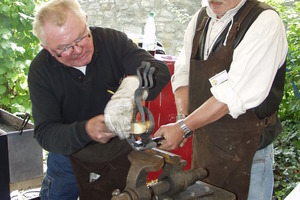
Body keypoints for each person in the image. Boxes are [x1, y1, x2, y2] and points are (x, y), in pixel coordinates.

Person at [28, 0, 170, 199]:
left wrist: (131, 89)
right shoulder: (41, 70)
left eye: (81, 38)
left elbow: (159, 70)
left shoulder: (112, 41)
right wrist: (86, 130)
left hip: (119, 155)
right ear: (48, 48)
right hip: (68, 158)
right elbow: (45, 133)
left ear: (86, 21)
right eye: (65, 48)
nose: (78, 50)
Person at [154, 0, 287, 199]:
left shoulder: (264, 22)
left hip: (247, 155)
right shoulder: (201, 19)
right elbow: (184, 73)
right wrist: (183, 118)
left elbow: (231, 95)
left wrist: (182, 127)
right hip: (207, 150)